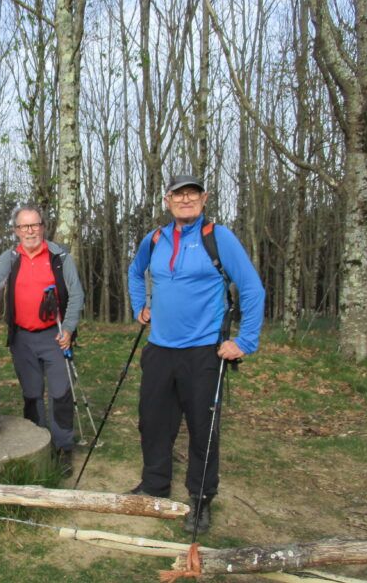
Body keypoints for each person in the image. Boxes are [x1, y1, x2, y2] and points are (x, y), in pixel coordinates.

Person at [127, 174, 265, 534]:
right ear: (167, 200)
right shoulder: (154, 239)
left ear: (204, 199)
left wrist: (245, 341)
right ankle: (154, 487)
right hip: (159, 348)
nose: (185, 200)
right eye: (178, 195)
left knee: (203, 429)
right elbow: (135, 272)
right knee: (153, 422)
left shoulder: (218, 238)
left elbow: (252, 288)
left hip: (203, 351)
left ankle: (201, 499)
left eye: (192, 194)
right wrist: (140, 305)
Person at [0, 204, 84, 477]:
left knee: (60, 394)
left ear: (43, 227)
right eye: (24, 226)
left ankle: (62, 448)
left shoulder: (60, 256)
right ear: (16, 231)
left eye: (35, 225)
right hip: (22, 339)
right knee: (32, 395)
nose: (30, 231)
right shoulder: (10, 257)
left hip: (55, 336)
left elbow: (77, 294)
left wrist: (69, 329)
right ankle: (37, 446)